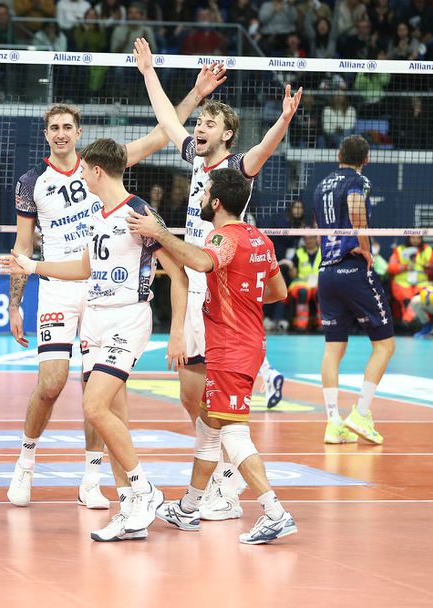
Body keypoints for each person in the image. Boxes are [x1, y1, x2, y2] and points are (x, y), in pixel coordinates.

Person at [6, 63, 226, 511]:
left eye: (67, 127)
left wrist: (196, 93)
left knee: (100, 389)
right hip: (60, 282)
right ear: (46, 135)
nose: (61, 134)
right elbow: (22, 245)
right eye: (54, 128)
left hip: (103, 289)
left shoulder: (103, 165)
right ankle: (25, 462)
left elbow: (163, 135)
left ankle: (94, 478)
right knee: (51, 383)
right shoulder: (32, 183)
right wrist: (15, 302)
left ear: (79, 133)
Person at [132, 36, 299, 531]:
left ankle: (225, 487)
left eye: (208, 123)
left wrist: (283, 121)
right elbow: (168, 120)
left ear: (227, 135)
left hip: (218, 277)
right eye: (200, 122)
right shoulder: (195, 159)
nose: (199, 128)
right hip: (196, 276)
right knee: (193, 398)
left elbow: (262, 151)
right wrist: (149, 72)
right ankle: (210, 488)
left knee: (217, 403)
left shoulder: (234, 171)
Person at [0, 137, 189, 542]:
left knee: (93, 405)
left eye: (84, 170)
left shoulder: (139, 213)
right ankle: (129, 508)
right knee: (112, 414)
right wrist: (31, 266)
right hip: (96, 321)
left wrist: (176, 332)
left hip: (127, 318)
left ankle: (144, 490)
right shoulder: (98, 214)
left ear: (97, 171)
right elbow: (84, 268)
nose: (80, 175)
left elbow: (179, 274)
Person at [127, 167, 298, 545]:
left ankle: (275, 513)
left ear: (217, 202)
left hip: (231, 348)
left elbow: (203, 262)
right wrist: (240, 296)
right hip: (246, 343)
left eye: (205, 195)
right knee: (208, 428)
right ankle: (188, 507)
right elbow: (279, 292)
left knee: (234, 433)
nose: (201, 199)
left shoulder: (223, 236)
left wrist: (160, 233)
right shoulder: (260, 238)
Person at [312, 135, 395, 446]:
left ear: (338, 155)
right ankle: (360, 414)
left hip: (326, 271)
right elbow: (356, 208)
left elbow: (319, 227)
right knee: (385, 346)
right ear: (366, 159)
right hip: (352, 267)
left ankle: (333, 422)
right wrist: (366, 247)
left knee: (333, 349)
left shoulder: (321, 186)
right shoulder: (358, 181)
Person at [388, 235, 433, 324]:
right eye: (413, 238)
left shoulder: (428, 250)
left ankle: (409, 321)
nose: (415, 240)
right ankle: (410, 321)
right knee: (407, 297)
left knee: (421, 297)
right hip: (403, 282)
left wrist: (428, 267)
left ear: (421, 239)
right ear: (408, 238)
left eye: (418, 238)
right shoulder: (399, 250)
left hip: (422, 283)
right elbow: (390, 268)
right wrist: (404, 267)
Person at [288, 235, 322, 332]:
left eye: (310, 238)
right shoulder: (298, 252)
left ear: (316, 239)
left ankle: (323, 324)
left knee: (321, 292)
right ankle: (301, 325)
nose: (308, 241)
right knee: (303, 292)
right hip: (302, 284)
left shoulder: (323, 251)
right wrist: (291, 269)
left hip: (319, 283)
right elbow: (293, 274)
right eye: (305, 239)